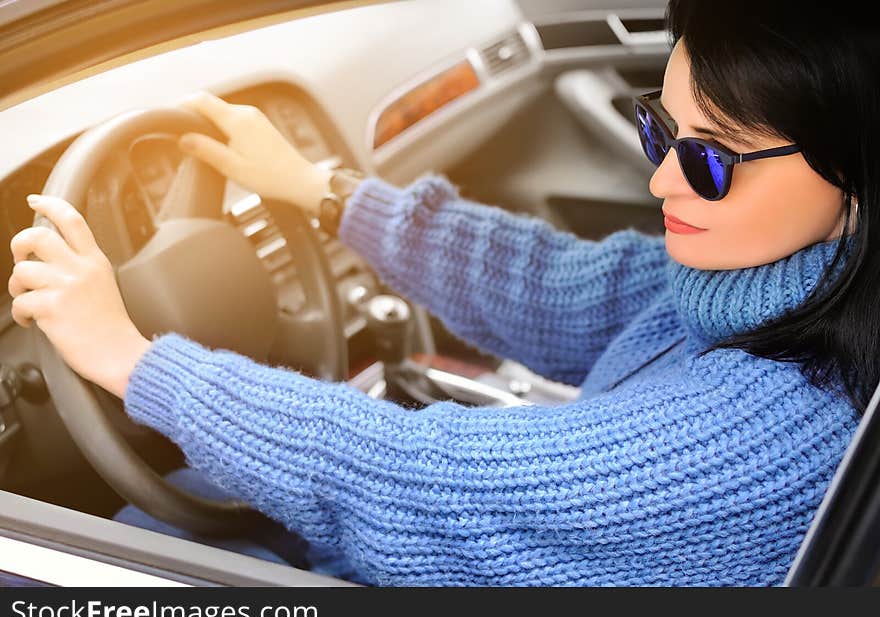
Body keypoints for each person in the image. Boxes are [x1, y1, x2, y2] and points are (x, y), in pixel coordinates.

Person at [7, 0, 878, 586]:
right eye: (662, 127)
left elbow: (414, 481)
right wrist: (324, 191)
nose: (662, 182)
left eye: (711, 158)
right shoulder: (773, 281)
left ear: (856, 173)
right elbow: (555, 286)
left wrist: (132, 360)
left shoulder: (758, 441)